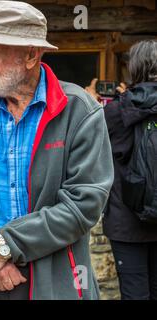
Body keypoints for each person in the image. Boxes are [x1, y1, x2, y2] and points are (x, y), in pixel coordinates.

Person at [0, 1, 114, 300]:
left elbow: (84, 204)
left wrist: (6, 246)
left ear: (31, 54)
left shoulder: (79, 111)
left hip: (54, 282)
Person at [87, 40, 157, 300]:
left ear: (134, 68)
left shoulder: (115, 111)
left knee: (135, 293)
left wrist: (90, 103)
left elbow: (90, 150)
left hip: (126, 222)